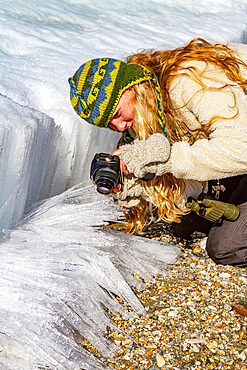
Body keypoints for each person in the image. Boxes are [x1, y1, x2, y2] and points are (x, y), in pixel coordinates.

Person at [68, 38, 247, 267]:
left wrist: (166, 160)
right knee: (187, 225)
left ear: (129, 87)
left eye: (116, 114)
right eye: (109, 125)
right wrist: (139, 186)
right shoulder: (147, 108)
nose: (120, 126)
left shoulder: (188, 80)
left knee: (227, 247)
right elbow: (192, 182)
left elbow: (240, 149)